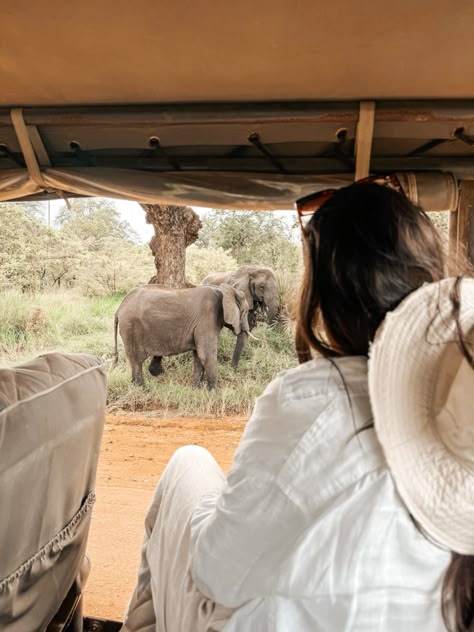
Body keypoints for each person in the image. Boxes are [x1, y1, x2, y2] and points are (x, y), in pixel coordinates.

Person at [121, 177, 474, 632]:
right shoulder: (459, 395)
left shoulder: (310, 396)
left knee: (187, 462)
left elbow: (215, 573)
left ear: (324, 295)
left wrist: (216, 507)